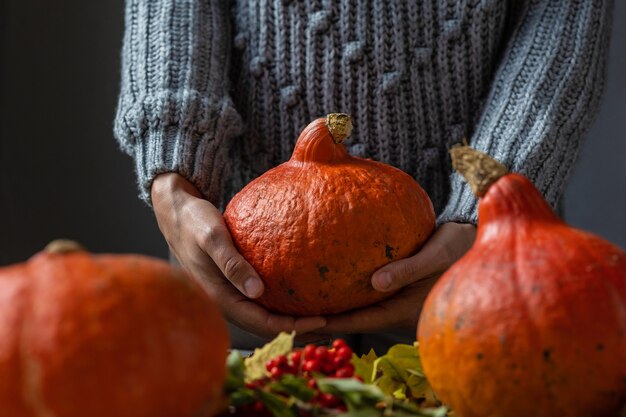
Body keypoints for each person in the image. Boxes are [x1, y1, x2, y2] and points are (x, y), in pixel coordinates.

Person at [114, 0, 613, 353]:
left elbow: (562, 20)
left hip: (477, 276)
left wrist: (493, 205)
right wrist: (175, 182)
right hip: (236, 267)